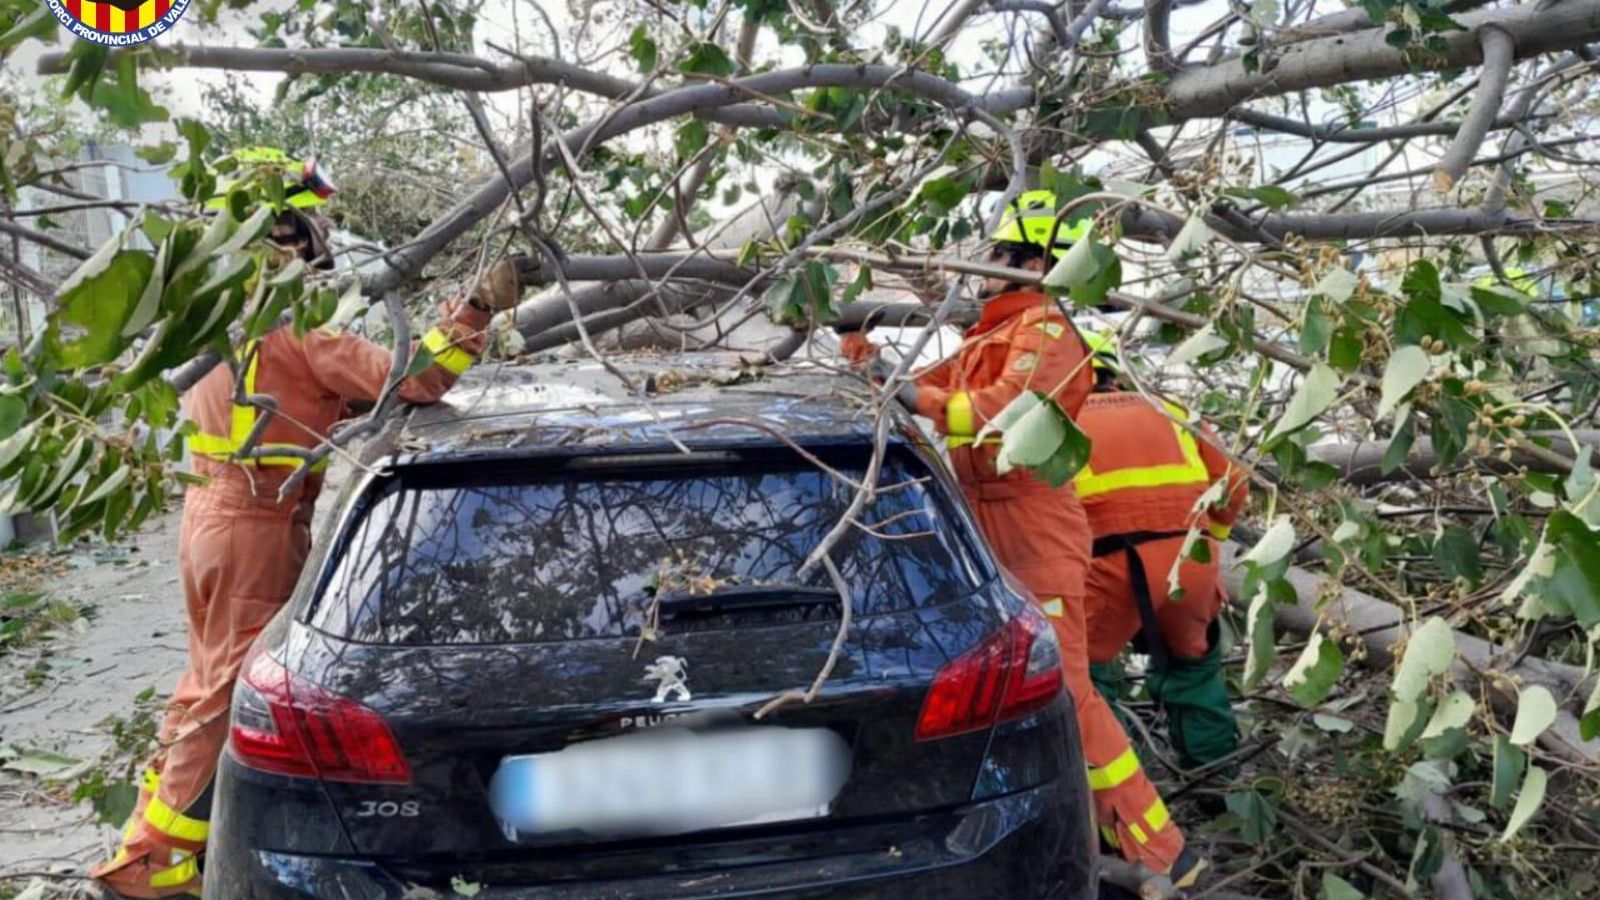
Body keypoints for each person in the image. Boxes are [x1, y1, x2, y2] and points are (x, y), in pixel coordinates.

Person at [90, 149, 523, 899]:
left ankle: (162, 843)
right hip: (256, 522)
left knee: (203, 683)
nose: (320, 237)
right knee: (224, 694)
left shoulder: (217, 310)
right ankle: (149, 865)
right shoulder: (300, 323)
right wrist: (475, 308)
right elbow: (414, 377)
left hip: (212, 516)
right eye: (308, 222)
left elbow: (309, 398)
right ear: (283, 232)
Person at [839, 190, 1203, 885]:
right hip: (991, 530)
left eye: (999, 256)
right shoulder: (992, 336)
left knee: (1065, 689)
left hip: (1033, 530)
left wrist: (912, 393)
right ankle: (1074, 829)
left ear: (1036, 265)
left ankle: (1161, 852)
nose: (983, 265)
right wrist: (866, 359)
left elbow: (992, 412)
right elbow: (922, 390)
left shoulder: (1047, 334)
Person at [1074, 335, 1248, 776]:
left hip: (1109, 568)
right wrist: (1214, 539)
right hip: (1189, 561)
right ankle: (1219, 789)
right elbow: (1234, 483)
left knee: (1088, 683)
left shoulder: (1055, 422)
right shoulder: (1171, 410)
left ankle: (1118, 801)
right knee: (1195, 671)